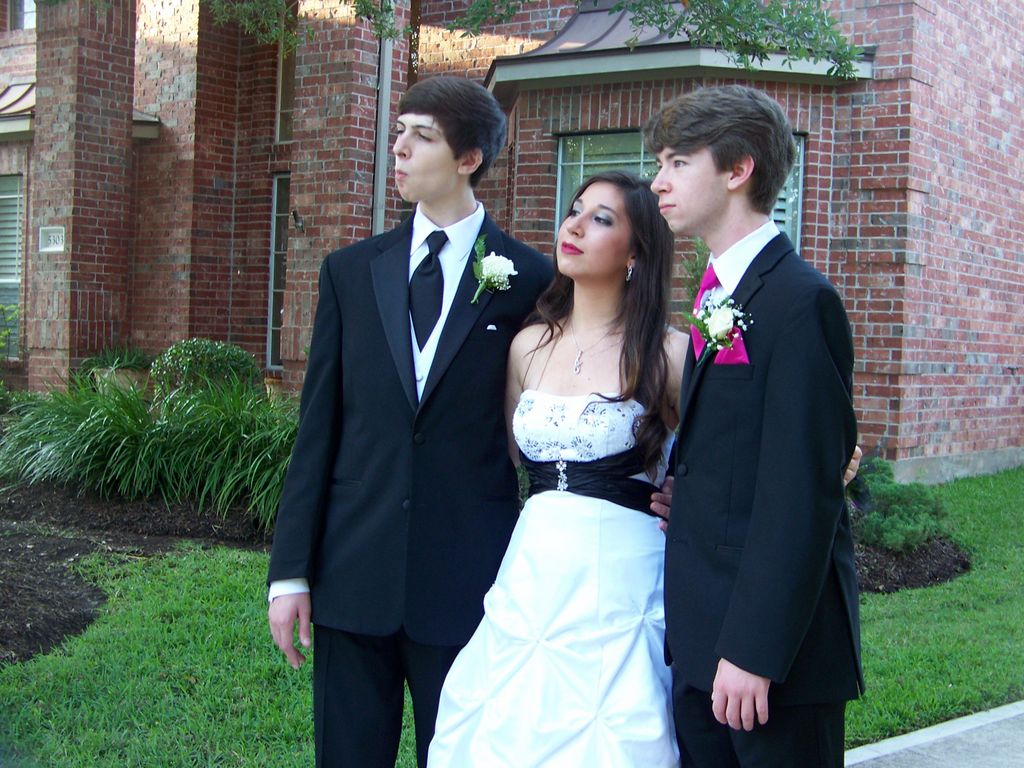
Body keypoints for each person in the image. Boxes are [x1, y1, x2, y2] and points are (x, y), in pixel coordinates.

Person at [265, 75, 553, 768]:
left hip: (467, 579)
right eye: (399, 132)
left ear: (468, 159)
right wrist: (290, 573)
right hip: (352, 575)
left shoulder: (531, 278)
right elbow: (318, 431)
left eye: (421, 136)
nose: (398, 148)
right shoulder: (350, 272)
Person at [428, 170, 688, 766]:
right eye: (575, 210)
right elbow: (508, 457)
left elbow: (722, 458)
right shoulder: (528, 346)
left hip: (623, 575)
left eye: (601, 219)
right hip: (534, 570)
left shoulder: (669, 353)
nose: (574, 225)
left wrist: (687, 494)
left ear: (636, 253)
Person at [646, 85, 864, 767]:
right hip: (702, 639)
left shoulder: (800, 301)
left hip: (770, 661)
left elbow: (803, 495)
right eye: (660, 163)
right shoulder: (720, 291)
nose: (658, 182)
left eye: (679, 162)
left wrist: (752, 653)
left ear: (738, 170)